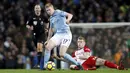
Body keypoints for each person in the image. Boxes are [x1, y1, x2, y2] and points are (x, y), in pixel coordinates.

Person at [43, 3, 82, 70]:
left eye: (49, 10)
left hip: (66, 34)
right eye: (47, 10)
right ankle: (45, 65)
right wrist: (48, 39)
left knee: (62, 54)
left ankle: (78, 64)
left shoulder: (58, 12)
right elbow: (51, 30)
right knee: (47, 47)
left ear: (53, 8)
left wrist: (68, 20)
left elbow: (70, 15)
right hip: (58, 34)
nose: (48, 12)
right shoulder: (51, 18)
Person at [26, 4, 48, 69]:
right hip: (35, 35)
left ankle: (38, 64)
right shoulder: (32, 17)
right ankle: (42, 64)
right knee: (39, 50)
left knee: (39, 47)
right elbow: (27, 25)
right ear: (34, 9)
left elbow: (47, 22)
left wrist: (46, 28)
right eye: (36, 8)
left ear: (40, 9)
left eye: (38, 8)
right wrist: (30, 27)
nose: (37, 9)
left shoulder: (43, 16)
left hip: (42, 34)